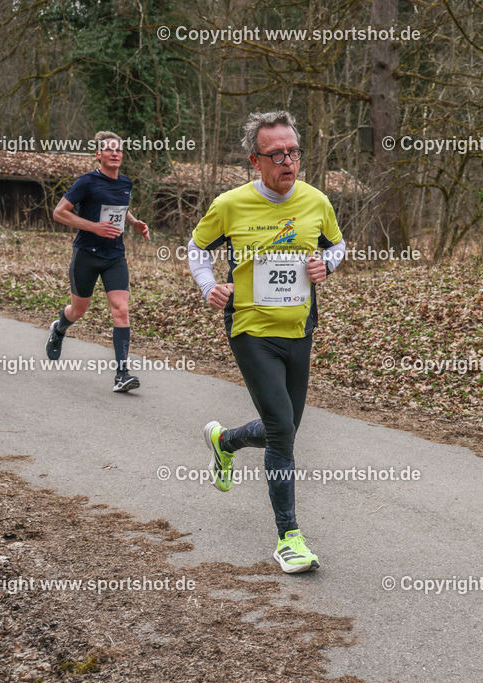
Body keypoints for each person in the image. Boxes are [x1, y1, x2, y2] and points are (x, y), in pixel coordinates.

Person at [188, 111, 346, 574]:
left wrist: (327, 265)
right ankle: (290, 538)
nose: (288, 161)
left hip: (299, 329)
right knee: (281, 430)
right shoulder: (231, 205)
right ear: (255, 161)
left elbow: (337, 245)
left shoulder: (316, 201)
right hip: (251, 330)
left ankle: (226, 441)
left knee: (285, 429)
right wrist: (208, 286)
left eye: (294, 152)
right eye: (276, 154)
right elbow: (197, 247)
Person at [46, 131, 150, 392]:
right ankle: (59, 328)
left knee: (121, 309)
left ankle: (122, 375)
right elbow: (60, 213)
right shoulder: (87, 182)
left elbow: (120, 209)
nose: (114, 153)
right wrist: (94, 227)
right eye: (109, 149)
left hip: (115, 256)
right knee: (78, 310)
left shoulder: (125, 183)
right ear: (99, 154)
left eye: (119, 150)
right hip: (87, 255)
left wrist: (134, 222)